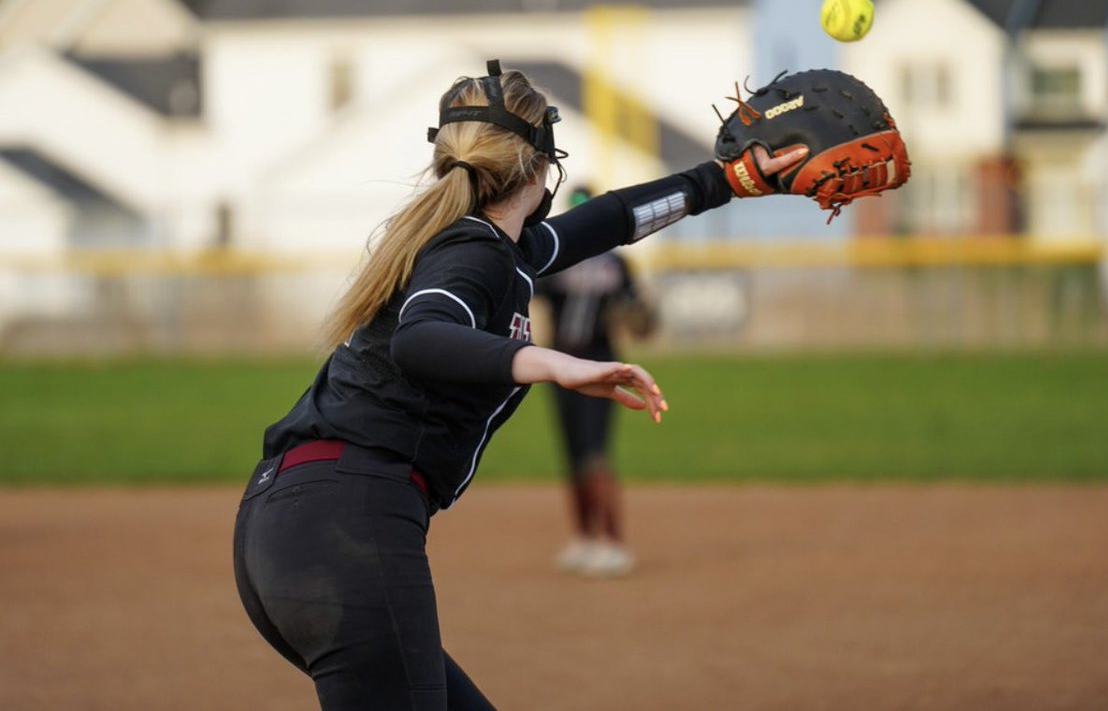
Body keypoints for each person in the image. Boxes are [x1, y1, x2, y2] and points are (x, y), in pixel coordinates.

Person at [232, 59, 807, 711]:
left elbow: (612, 220)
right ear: (539, 165)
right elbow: (421, 337)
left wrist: (727, 180)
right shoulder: (471, 252)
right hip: (347, 527)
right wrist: (558, 362)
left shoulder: (488, 245)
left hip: (297, 527)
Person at [537, 185, 656, 577]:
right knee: (574, 454)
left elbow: (640, 321)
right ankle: (586, 537)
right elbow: (642, 320)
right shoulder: (603, 262)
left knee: (593, 453)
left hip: (598, 363)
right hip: (560, 365)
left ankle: (612, 541)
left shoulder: (563, 259)